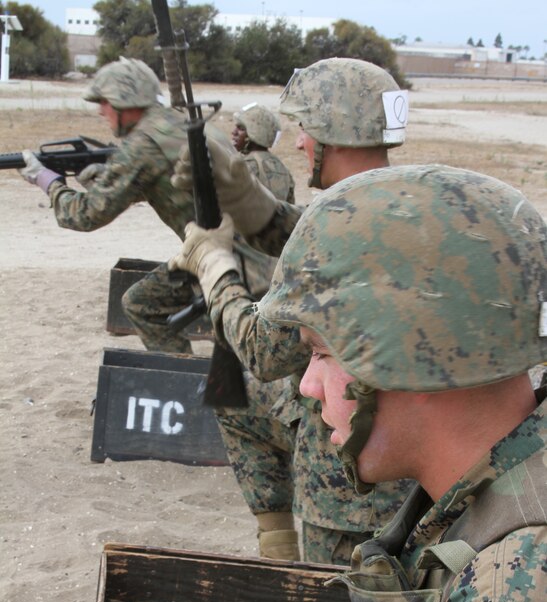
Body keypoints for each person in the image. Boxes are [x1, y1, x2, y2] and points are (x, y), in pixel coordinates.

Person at [183, 165, 547, 602]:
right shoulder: (511, 471)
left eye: (321, 352)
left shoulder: (509, 597)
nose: (306, 385)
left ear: (407, 356)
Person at [171, 58, 413, 563]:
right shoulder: (402, 200)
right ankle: (277, 551)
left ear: (331, 132)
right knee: (234, 401)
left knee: (233, 384)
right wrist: (246, 197)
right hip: (412, 441)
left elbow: (262, 351)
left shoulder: (339, 228)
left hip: (354, 478)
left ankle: (284, 564)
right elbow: (314, 233)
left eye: (305, 127)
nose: (299, 141)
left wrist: (213, 266)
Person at [18, 57, 273, 353]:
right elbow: (172, 185)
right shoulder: (180, 123)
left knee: (141, 304)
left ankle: (179, 372)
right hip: (255, 250)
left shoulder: (143, 144)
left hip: (226, 259)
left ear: (123, 101)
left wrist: (47, 181)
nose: (100, 110)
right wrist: (107, 180)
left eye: (104, 102)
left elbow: (84, 215)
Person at [231, 103, 295, 203]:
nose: (234, 132)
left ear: (254, 134)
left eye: (241, 129)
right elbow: (290, 207)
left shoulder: (246, 166)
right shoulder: (283, 169)